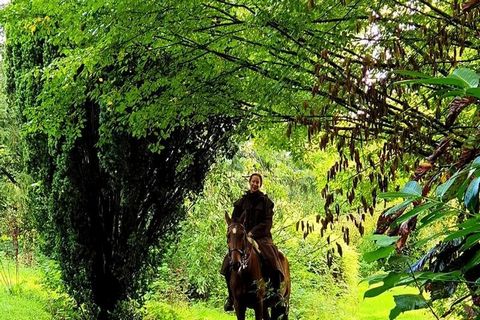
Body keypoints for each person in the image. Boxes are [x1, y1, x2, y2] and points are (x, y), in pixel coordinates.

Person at [221, 173, 285, 312]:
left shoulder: (266, 202)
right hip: (241, 237)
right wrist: (239, 232)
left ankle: (277, 294)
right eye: (253, 181)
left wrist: (252, 233)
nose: (255, 184)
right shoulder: (240, 202)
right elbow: (234, 221)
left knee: (272, 257)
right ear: (249, 182)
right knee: (228, 262)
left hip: (261, 237)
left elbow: (267, 223)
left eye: (257, 182)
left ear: (260, 184)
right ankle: (231, 297)